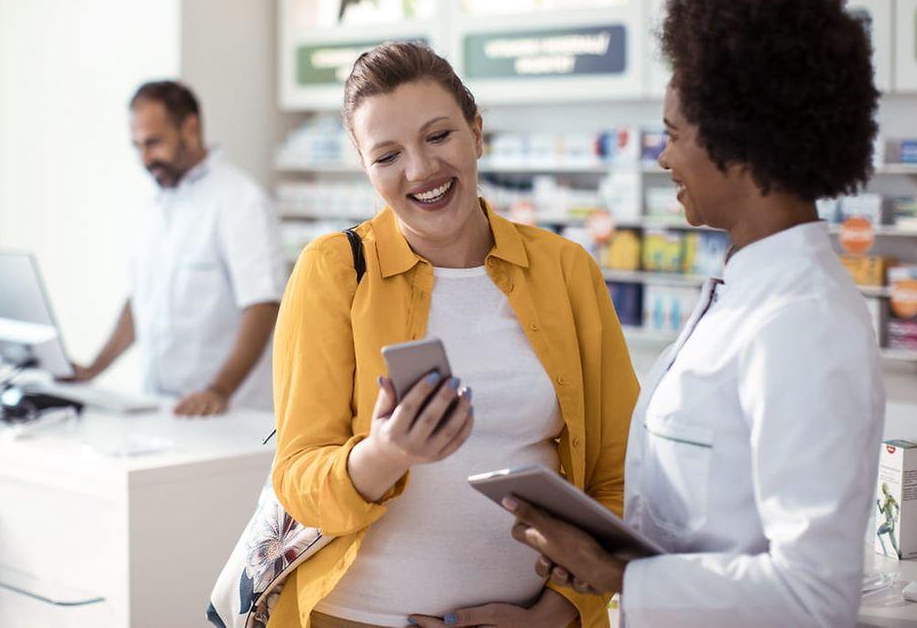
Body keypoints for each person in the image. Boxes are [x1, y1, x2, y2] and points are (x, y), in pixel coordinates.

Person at [501, 0, 887, 628]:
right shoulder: (740, 295)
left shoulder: (806, 325)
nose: (662, 157)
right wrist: (603, 551)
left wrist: (617, 574)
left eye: (674, 134)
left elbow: (816, 597)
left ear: (742, 145)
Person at [269, 42, 640, 628]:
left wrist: (553, 615)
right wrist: (387, 453)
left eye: (438, 136)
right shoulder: (333, 270)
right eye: (387, 154)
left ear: (476, 132)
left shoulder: (566, 269)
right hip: (356, 616)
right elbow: (296, 479)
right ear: (366, 167)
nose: (420, 171)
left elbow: (620, 477)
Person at [72, 81, 285, 416]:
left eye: (154, 143)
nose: (145, 159)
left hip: (228, 412)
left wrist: (219, 390)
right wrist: (92, 370)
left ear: (190, 128)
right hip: (161, 407)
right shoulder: (158, 204)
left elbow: (263, 304)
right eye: (137, 146)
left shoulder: (240, 200)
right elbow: (140, 301)